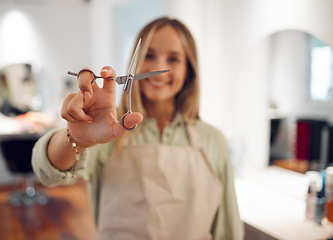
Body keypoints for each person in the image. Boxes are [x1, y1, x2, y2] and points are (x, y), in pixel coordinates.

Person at [32, 17, 244, 240]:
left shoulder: (213, 141)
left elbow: (228, 228)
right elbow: (47, 173)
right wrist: (77, 139)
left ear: (189, 70)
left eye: (173, 58)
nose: (158, 68)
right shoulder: (109, 131)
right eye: (149, 55)